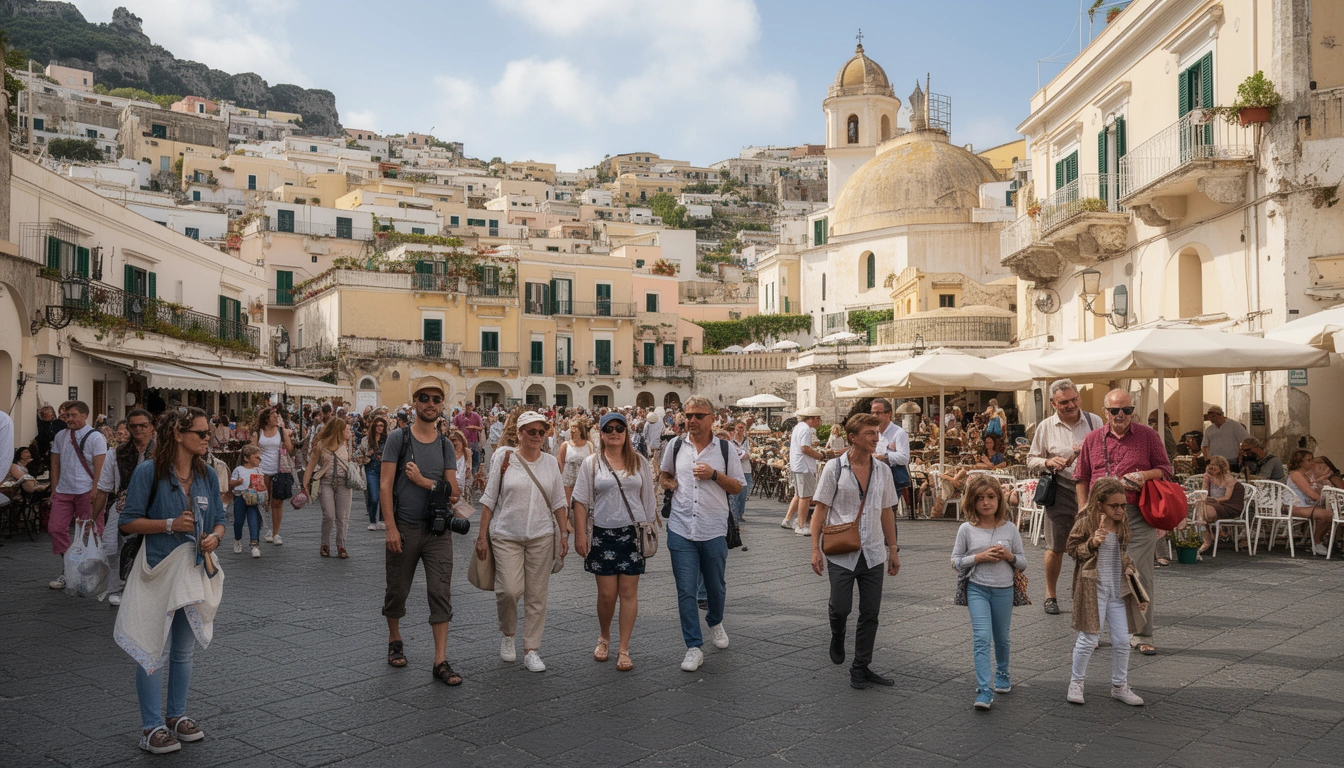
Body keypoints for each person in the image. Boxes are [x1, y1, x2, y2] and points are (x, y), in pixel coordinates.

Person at [116, 407, 226, 755]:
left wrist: (215, 538)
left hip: (192, 569)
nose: (208, 439)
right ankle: (150, 727)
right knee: (150, 646)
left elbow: (221, 519)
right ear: (178, 435)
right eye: (201, 433)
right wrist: (169, 524)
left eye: (208, 433)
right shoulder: (150, 471)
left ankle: (176, 715)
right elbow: (128, 522)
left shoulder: (206, 473)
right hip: (158, 569)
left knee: (182, 649)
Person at [1074, 389, 1172, 656]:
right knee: (1094, 575)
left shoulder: (1148, 436)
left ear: (1133, 411)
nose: (1121, 416)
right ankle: (1092, 633)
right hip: (1100, 515)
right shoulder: (1093, 439)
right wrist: (1083, 511)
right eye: (1115, 411)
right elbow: (1081, 477)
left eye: (1126, 410)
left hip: (1137, 513)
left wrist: (1144, 474)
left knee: (1139, 573)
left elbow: (1166, 470)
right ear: (1105, 412)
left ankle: (1141, 633)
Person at [809, 413, 901, 690]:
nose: (876, 438)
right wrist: (815, 548)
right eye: (870, 433)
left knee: (870, 613)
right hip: (842, 550)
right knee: (840, 608)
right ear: (853, 437)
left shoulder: (883, 470)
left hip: (873, 551)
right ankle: (838, 635)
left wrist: (893, 549)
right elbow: (821, 509)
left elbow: (887, 511)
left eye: (877, 432)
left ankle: (860, 667)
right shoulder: (834, 469)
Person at [381, 376, 463, 685]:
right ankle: (394, 638)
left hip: (437, 531)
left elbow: (454, 492)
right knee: (397, 590)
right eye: (424, 398)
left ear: (442, 406)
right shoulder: (398, 439)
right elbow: (385, 485)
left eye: (436, 400)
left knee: (439, 592)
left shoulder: (445, 444)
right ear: (415, 403)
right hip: (403, 527)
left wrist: (425, 483)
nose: (430, 404)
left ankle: (440, 661)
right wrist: (389, 527)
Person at [477, 411, 568, 673]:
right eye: (532, 431)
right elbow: (489, 498)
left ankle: (531, 649)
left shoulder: (550, 463)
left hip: (541, 535)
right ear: (520, 433)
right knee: (508, 590)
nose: (537, 436)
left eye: (542, 432)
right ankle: (508, 634)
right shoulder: (504, 458)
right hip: (506, 535)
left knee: (537, 595)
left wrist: (564, 534)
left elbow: (559, 501)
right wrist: (481, 536)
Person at [660, 396, 744, 672]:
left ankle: (715, 620)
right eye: (688, 415)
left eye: (698, 415)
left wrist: (714, 475)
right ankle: (693, 646)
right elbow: (663, 476)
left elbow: (737, 487)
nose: (692, 420)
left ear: (712, 419)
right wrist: (669, 482)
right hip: (681, 528)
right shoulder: (674, 446)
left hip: (713, 528)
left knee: (716, 586)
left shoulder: (725, 448)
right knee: (685, 590)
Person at [573, 412, 660, 672]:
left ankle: (623, 647)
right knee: (607, 595)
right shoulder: (591, 463)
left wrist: (649, 530)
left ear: (626, 432)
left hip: (632, 534)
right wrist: (579, 535)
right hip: (602, 533)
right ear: (601, 433)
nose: (614, 432)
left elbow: (648, 498)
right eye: (608, 428)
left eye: (619, 428)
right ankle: (604, 636)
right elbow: (580, 500)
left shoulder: (640, 462)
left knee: (629, 593)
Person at [1065, 477, 1148, 707]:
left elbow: (1121, 553)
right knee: (1089, 637)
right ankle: (1076, 682)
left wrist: (1129, 566)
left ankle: (1119, 686)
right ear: (1100, 504)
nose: (1120, 510)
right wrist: (1092, 543)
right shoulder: (1085, 522)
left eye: (1123, 505)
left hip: (1117, 589)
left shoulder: (1122, 524)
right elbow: (1072, 550)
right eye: (1115, 506)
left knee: (1122, 640)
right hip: (1093, 587)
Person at [1026, 380, 1103, 616]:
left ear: (1079, 398)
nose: (1070, 405)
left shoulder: (1094, 421)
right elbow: (1031, 460)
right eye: (1063, 402)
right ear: (1053, 404)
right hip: (1059, 488)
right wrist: (1048, 462)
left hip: (1090, 490)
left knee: (1092, 544)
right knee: (1055, 545)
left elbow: (1103, 453)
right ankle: (1051, 595)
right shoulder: (1046, 426)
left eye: (1073, 400)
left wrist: (1088, 451)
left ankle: (1085, 593)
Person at [951, 474, 1026, 710]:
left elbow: (1023, 563)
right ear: (971, 501)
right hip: (977, 589)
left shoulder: (1010, 529)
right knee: (982, 637)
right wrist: (979, 558)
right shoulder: (966, 529)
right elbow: (955, 561)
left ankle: (1002, 672)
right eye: (980, 498)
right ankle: (984, 688)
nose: (986, 503)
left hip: (1004, 589)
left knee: (1001, 637)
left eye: (991, 497)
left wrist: (1009, 556)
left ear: (999, 500)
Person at [90, 408, 156, 605]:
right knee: (112, 548)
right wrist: (92, 520)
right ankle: (118, 586)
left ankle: (144, 587)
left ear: (151, 427)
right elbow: (103, 488)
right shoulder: (116, 453)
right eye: (133, 426)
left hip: (154, 506)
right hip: (122, 506)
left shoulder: (162, 452)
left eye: (142, 425)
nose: (138, 430)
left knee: (150, 548)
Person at [47, 401, 109, 590]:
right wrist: (55, 487)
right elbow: (55, 462)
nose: (69, 419)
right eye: (67, 415)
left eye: (73, 415)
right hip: (64, 490)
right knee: (55, 529)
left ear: (85, 415)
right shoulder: (60, 436)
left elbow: (101, 465)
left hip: (87, 490)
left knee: (92, 532)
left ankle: (92, 572)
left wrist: (96, 490)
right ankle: (70, 567)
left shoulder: (96, 437)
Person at [303, 416, 355, 559]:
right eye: (346, 429)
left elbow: (351, 461)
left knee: (343, 517)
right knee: (329, 515)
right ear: (339, 430)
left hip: (344, 483)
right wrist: (305, 484)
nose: (349, 432)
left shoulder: (347, 443)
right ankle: (325, 543)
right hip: (326, 482)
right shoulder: (321, 445)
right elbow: (311, 465)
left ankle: (341, 545)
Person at [250, 407, 294, 546]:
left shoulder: (281, 431)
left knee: (277, 502)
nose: (276, 417)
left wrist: (285, 434)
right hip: (260, 470)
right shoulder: (258, 432)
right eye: (273, 415)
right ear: (266, 418)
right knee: (262, 501)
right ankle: (266, 528)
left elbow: (290, 449)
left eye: (277, 415)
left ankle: (275, 533)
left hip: (278, 470)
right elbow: (252, 450)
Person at [783, 407, 825, 535]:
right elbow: (805, 448)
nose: (820, 422)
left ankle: (788, 520)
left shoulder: (798, 427)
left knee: (798, 495)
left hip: (797, 465)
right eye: (819, 419)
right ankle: (801, 525)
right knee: (805, 497)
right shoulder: (806, 429)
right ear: (813, 419)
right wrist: (820, 456)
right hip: (804, 466)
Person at [1285, 449, 1333, 556]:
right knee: (1327, 514)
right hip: (1297, 506)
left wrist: (1324, 480)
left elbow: (1318, 490)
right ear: (1300, 462)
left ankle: (1318, 540)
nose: (1312, 462)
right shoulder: (1296, 475)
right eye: (1309, 460)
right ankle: (1317, 542)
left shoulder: (1308, 475)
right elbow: (1312, 494)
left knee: (1331, 513)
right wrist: (1324, 498)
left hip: (1307, 504)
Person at [1199, 456, 1245, 554]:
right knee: (1198, 510)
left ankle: (1208, 540)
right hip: (1212, 503)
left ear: (1221, 468)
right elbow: (1204, 492)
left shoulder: (1229, 479)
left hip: (1227, 505)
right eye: (1210, 468)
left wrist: (1212, 500)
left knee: (1201, 513)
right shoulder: (1209, 477)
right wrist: (1206, 481)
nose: (1212, 471)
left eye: (1214, 469)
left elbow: (1226, 498)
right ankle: (1208, 538)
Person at [228, 445, 267, 559]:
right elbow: (231, 483)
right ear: (246, 458)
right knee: (238, 521)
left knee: (253, 520)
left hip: (254, 498)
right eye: (256, 457)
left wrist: (264, 494)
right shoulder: (239, 470)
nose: (259, 460)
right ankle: (238, 539)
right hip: (240, 496)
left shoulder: (258, 470)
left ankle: (255, 544)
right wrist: (238, 482)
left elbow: (262, 484)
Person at [870, 398, 911, 505]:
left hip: (893, 478)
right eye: (872, 413)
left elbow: (904, 457)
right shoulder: (873, 432)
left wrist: (883, 457)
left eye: (878, 413)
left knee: (889, 510)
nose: (874, 416)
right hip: (875, 478)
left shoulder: (899, 433)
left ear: (888, 414)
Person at [358, 416, 390, 530]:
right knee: (373, 496)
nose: (379, 428)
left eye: (382, 426)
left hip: (384, 469)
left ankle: (382, 519)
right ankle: (372, 520)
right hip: (371, 468)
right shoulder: (366, 440)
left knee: (383, 495)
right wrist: (369, 453)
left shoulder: (387, 440)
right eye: (377, 425)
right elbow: (359, 454)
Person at [557, 416, 594, 509]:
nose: (572, 429)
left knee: (581, 505)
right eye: (571, 427)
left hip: (583, 479)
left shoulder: (589, 445)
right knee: (567, 505)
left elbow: (592, 464)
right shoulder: (565, 445)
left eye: (575, 427)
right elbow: (560, 464)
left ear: (581, 429)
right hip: (568, 479)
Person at [1203, 405, 1249, 470]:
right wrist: (1207, 460)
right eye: (1209, 417)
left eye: (1213, 416)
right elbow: (1205, 446)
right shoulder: (1209, 429)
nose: (1211, 419)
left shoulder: (1234, 425)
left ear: (1220, 415)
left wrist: (1241, 455)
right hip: (1214, 462)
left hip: (1231, 461)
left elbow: (1246, 439)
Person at [729, 421, 753, 529]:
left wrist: (745, 454)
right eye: (739, 427)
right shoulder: (731, 440)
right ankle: (735, 513)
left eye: (742, 428)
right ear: (735, 428)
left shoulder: (746, 440)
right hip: (735, 469)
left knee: (744, 492)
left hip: (746, 468)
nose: (740, 430)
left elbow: (748, 452)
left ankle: (741, 513)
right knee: (735, 492)